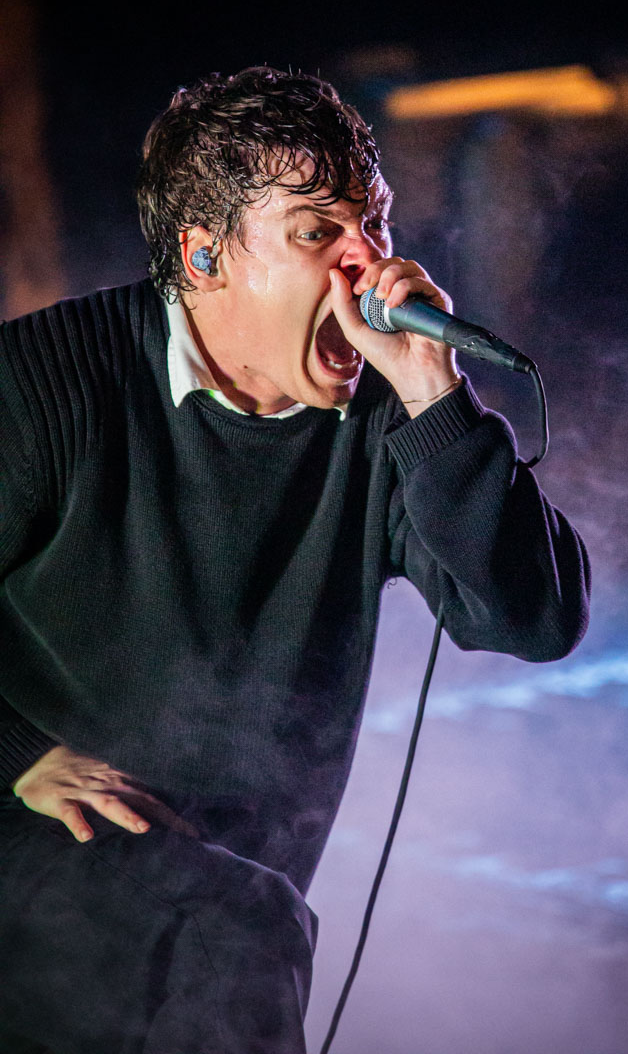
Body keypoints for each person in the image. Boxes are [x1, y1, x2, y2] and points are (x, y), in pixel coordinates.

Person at [0, 66, 590, 1053]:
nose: (368, 265)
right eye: (317, 232)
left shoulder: (391, 422)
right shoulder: (45, 384)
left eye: (375, 224)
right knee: (233, 935)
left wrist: (438, 403)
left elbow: (531, 620)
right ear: (204, 257)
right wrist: (15, 754)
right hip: (36, 848)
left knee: (234, 935)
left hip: (222, 898)